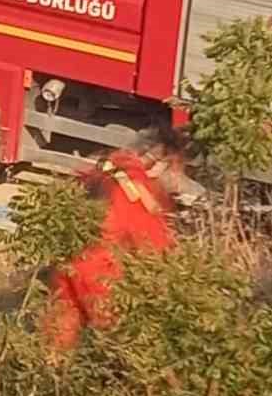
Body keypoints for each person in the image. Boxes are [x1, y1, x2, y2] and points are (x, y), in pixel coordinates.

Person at [43, 133, 192, 352]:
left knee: (57, 342)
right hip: (100, 273)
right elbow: (153, 244)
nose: (179, 183)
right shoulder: (137, 190)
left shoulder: (110, 167)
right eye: (178, 170)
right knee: (119, 345)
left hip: (69, 264)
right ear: (162, 162)